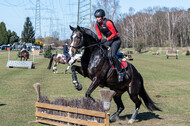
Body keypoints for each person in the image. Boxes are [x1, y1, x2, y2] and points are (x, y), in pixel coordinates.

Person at [94, 9, 124, 82]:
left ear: (103, 17)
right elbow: (99, 35)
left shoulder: (108, 23)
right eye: (96, 17)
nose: (97, 19)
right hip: (109, 40)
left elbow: (114, 34)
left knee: (112, 55)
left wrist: (106, 39)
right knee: (101, 53)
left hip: (116, 40)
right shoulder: (96, 24)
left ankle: (120, 72)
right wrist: (98, 41)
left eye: (99, 17)